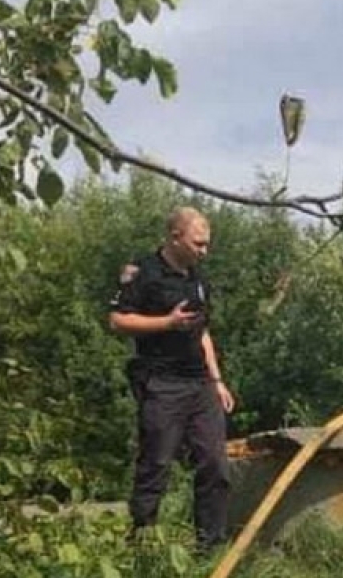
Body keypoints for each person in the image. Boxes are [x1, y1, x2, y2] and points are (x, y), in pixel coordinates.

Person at [107, 206, 236, 551]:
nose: (204, 251)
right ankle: (141, 543)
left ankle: (209, 548)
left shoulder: (198, 279)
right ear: (175, 236)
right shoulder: (142, 272)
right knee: (156, 464)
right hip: (161, 383)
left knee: (215, 464)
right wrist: (166, 322)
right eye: (198, 244)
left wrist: (218, 380)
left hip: (200, 384)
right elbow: (118, 321)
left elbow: (202, 332)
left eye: (207, 245)